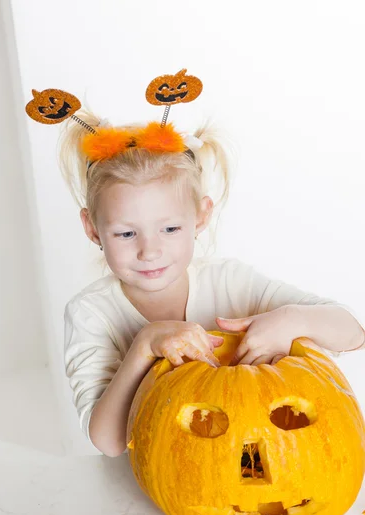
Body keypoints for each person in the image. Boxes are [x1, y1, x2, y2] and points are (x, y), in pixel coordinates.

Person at [58, 109, 365, 458]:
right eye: (126, 233)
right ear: (93, 228)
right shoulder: (90, 313)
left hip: (262, 454)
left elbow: (354, 333)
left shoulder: (231, 281)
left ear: (201, 215)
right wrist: (144, 345)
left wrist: (293, 319)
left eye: (170, 229)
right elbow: (108, 442)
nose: (149, 251)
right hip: (168, 474)